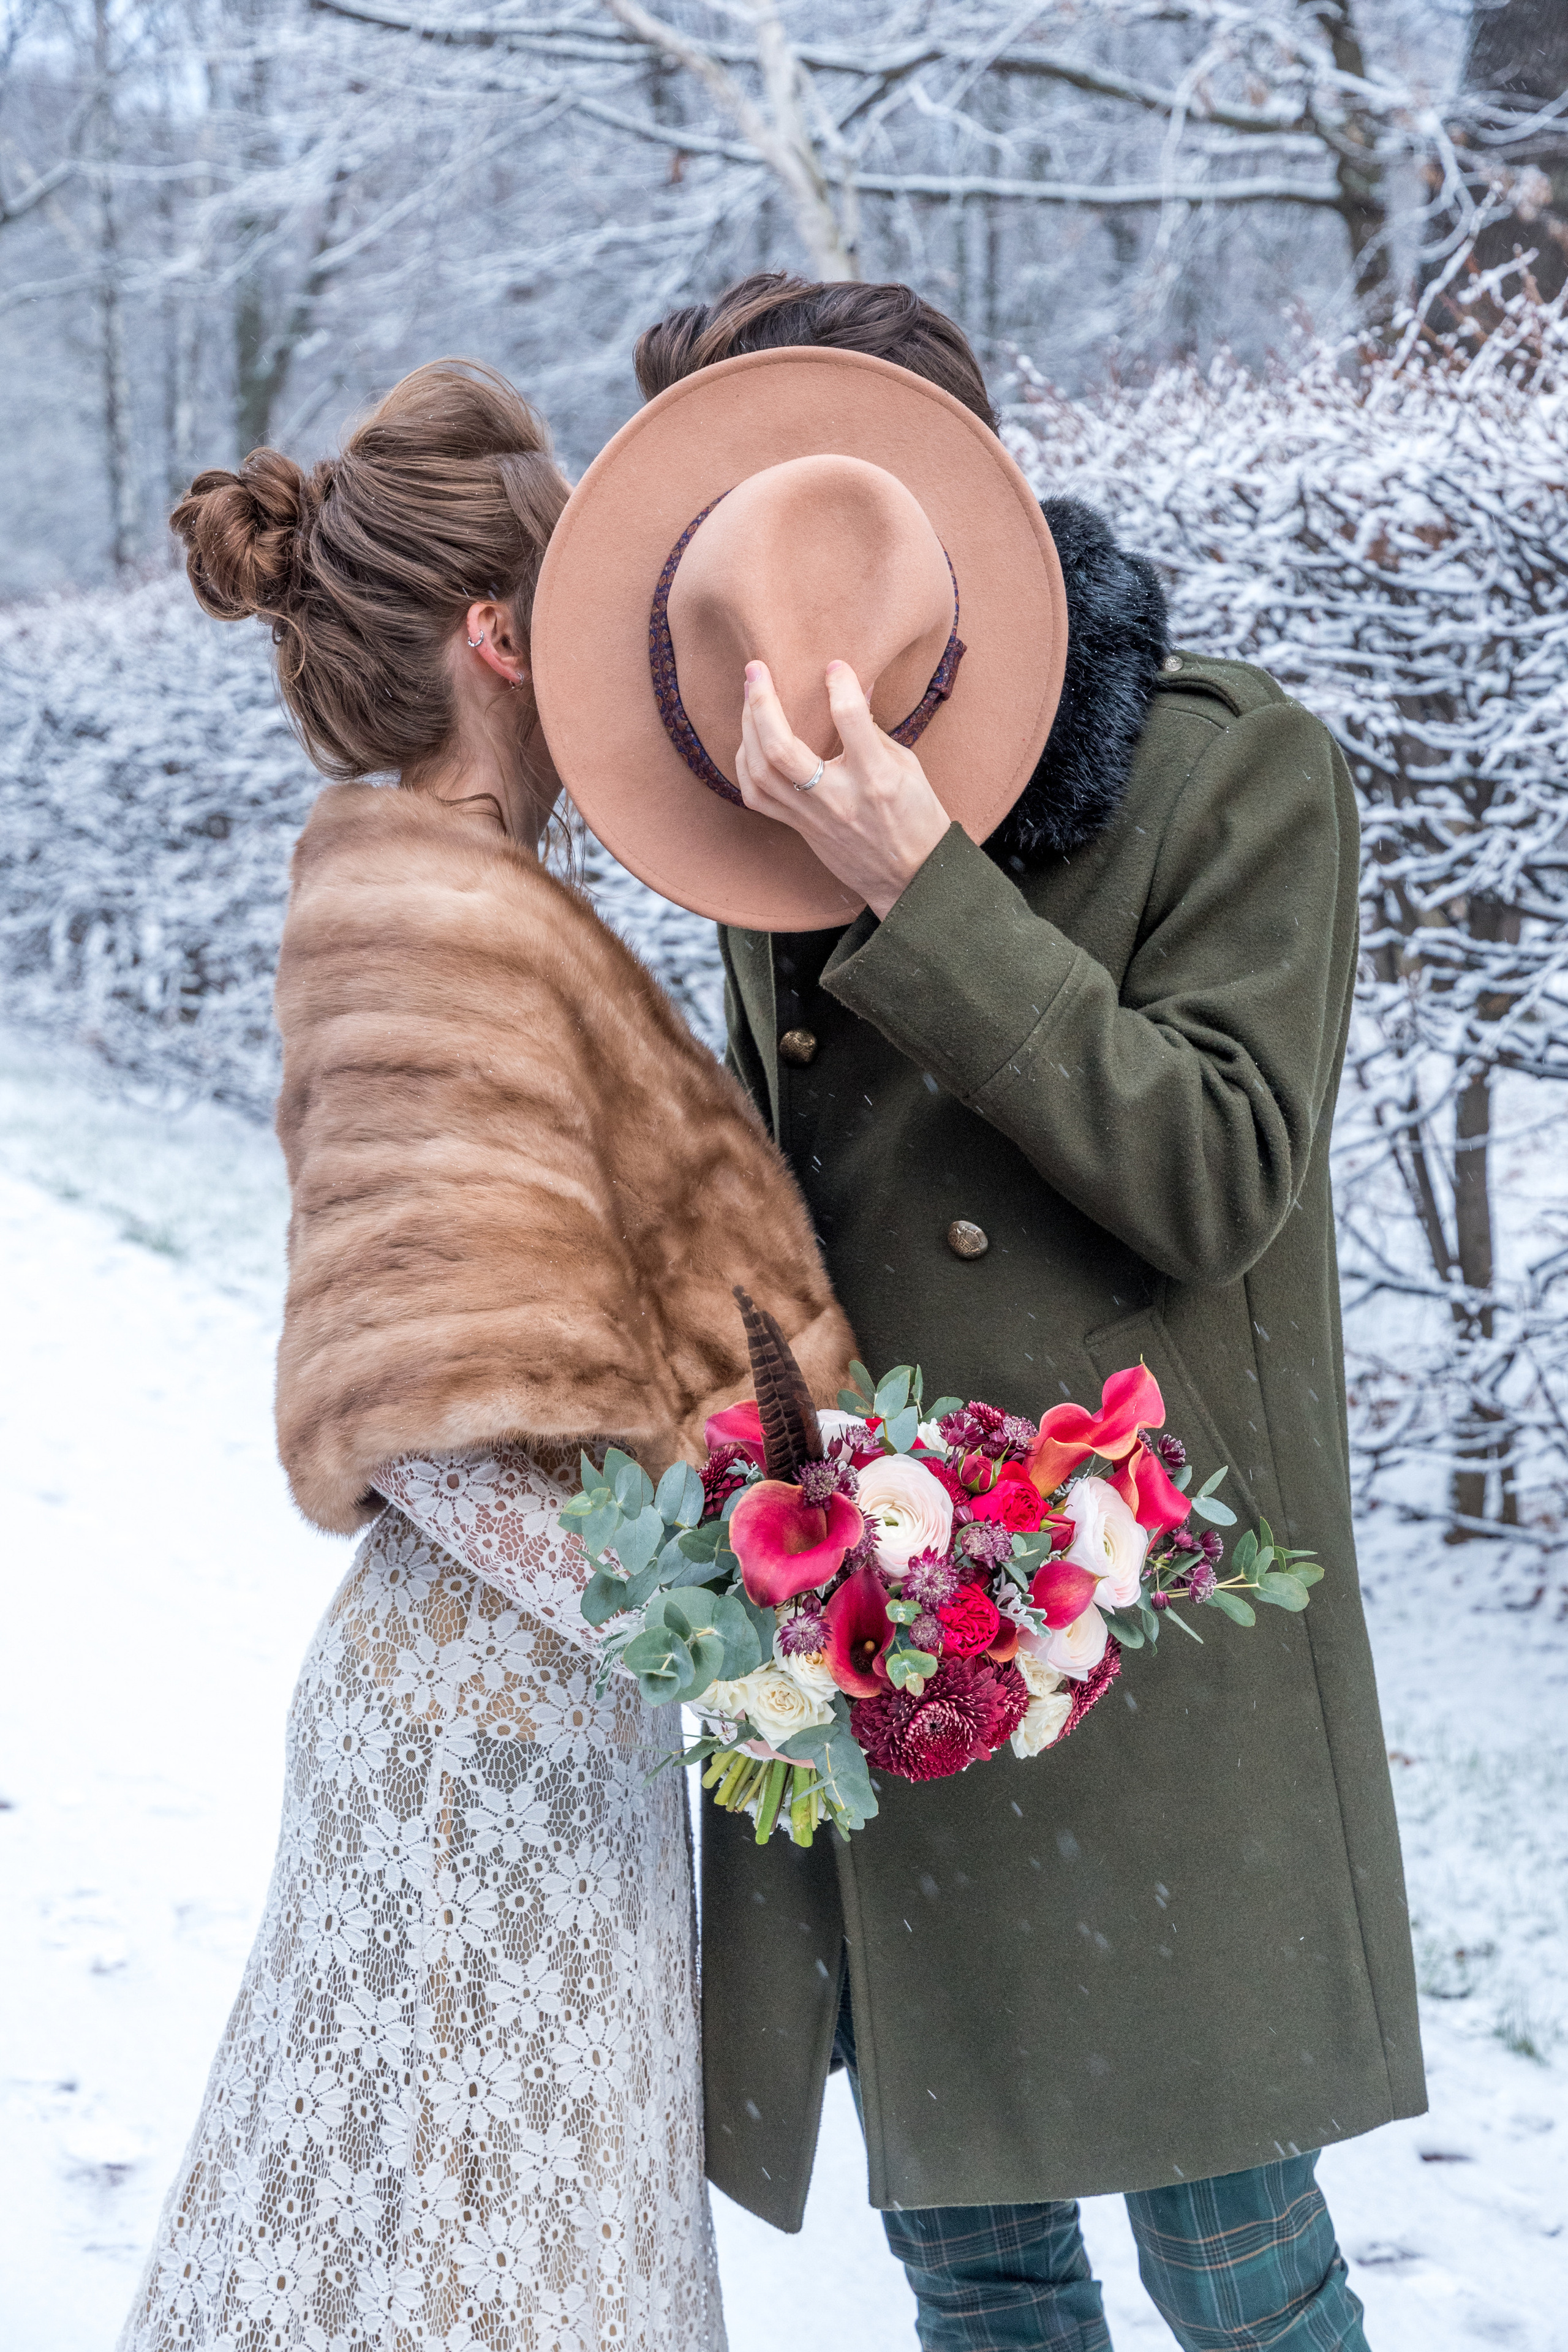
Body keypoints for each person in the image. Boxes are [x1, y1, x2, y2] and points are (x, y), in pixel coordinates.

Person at [531, 277, 1425, 2351]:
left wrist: (926, 888)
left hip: (1141, 1628)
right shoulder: (756, 811)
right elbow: (792, 1220)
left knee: (1244, 2273)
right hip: (898, 1628)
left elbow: (1216, 1172)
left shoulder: (1232, 770)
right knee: (981, 2278)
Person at [116, 358, 854, 2352]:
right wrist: (747, 1645)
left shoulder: (478, 893)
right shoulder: (436, 918)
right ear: (501, 639)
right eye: (597, 613)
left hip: (537, 1733)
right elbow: (447, 1433)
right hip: (480, 1753)